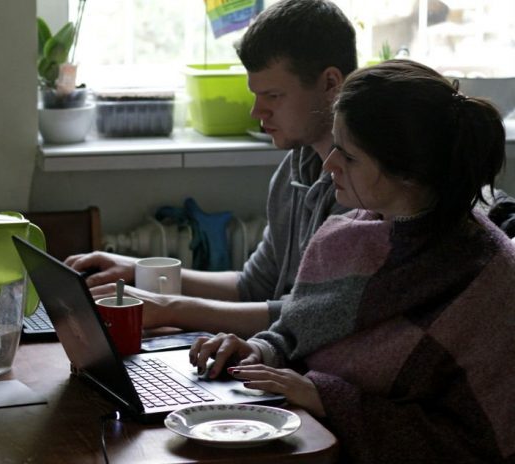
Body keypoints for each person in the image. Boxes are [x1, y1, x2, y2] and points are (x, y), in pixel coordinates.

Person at [190, 59, 515, 463]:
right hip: (305, 440)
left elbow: (472, 447)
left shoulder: (489, 282)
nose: (329, 166)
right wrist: (256, 353)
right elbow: (294, 334)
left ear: (408, 173)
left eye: (348, 156)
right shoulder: (345, 237)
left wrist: (327, 398)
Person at [65, 0, 355, 337]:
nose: (256, 112)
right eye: (256, 95)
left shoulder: (361, 186)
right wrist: (135, 270)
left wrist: (168, 307)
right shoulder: (294, 169)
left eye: (273, 95)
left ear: (331, 83)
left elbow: (312, 316)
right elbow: (253, 286)